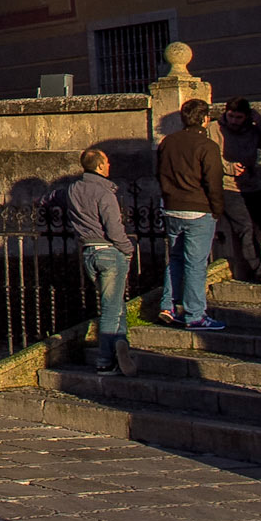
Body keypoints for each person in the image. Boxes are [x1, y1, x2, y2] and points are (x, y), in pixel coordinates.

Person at [49, 147, 135, 372]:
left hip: (88, 253)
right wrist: (128, 249)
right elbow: (114, 229)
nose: (109, 166)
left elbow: (51, 198)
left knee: (116, 305)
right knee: (110, 309)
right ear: (99, 166)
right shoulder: (105, 194)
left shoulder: (73, 190)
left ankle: (121, 345)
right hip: (109, 253)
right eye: (106, 162)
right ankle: (105, 360)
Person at [156, 96, 226, 330]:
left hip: (172, 208)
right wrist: (217, 209)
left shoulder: (168, 142)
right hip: (198, 209)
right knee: (195, 263)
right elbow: (214, 181)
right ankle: (195, 314)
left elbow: (160, 173)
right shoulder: (207, 146)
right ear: (206, 119)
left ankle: (168, 305)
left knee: (175, 258)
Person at [217, 97, 261, 283]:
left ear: (246, 117)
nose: (233, 121)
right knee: (245, 226)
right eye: (231, 116)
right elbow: (208, 156)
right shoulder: (216, 130)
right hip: (228, 186)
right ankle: (258, 270)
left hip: (250, 186)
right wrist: (228, 167)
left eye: (238, 117)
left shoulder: (252, 131)